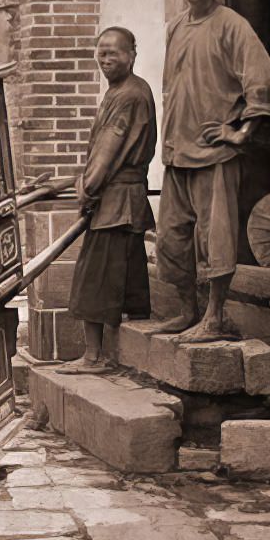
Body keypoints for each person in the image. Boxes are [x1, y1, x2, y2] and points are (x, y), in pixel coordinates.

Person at [154, 0, 270, 343]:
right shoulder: (175, 27)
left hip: (214, 155)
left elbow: (266, 82)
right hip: (178, 152)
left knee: (217, 238)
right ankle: (188, 311)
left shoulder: (232, 24)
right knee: (172, 241)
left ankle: (215, 318)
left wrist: (240, 132)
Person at [58, 27, 157, 375]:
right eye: (100, 52)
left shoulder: (130, 94)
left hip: (117, 202)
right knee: (123, 279)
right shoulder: (120, 91)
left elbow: (109, 151)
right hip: (121, 200)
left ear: (132, 54)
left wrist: (87, 188)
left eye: (113, 52)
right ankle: (117, 358)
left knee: (96, 280)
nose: (105, 59)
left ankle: (94, 358)